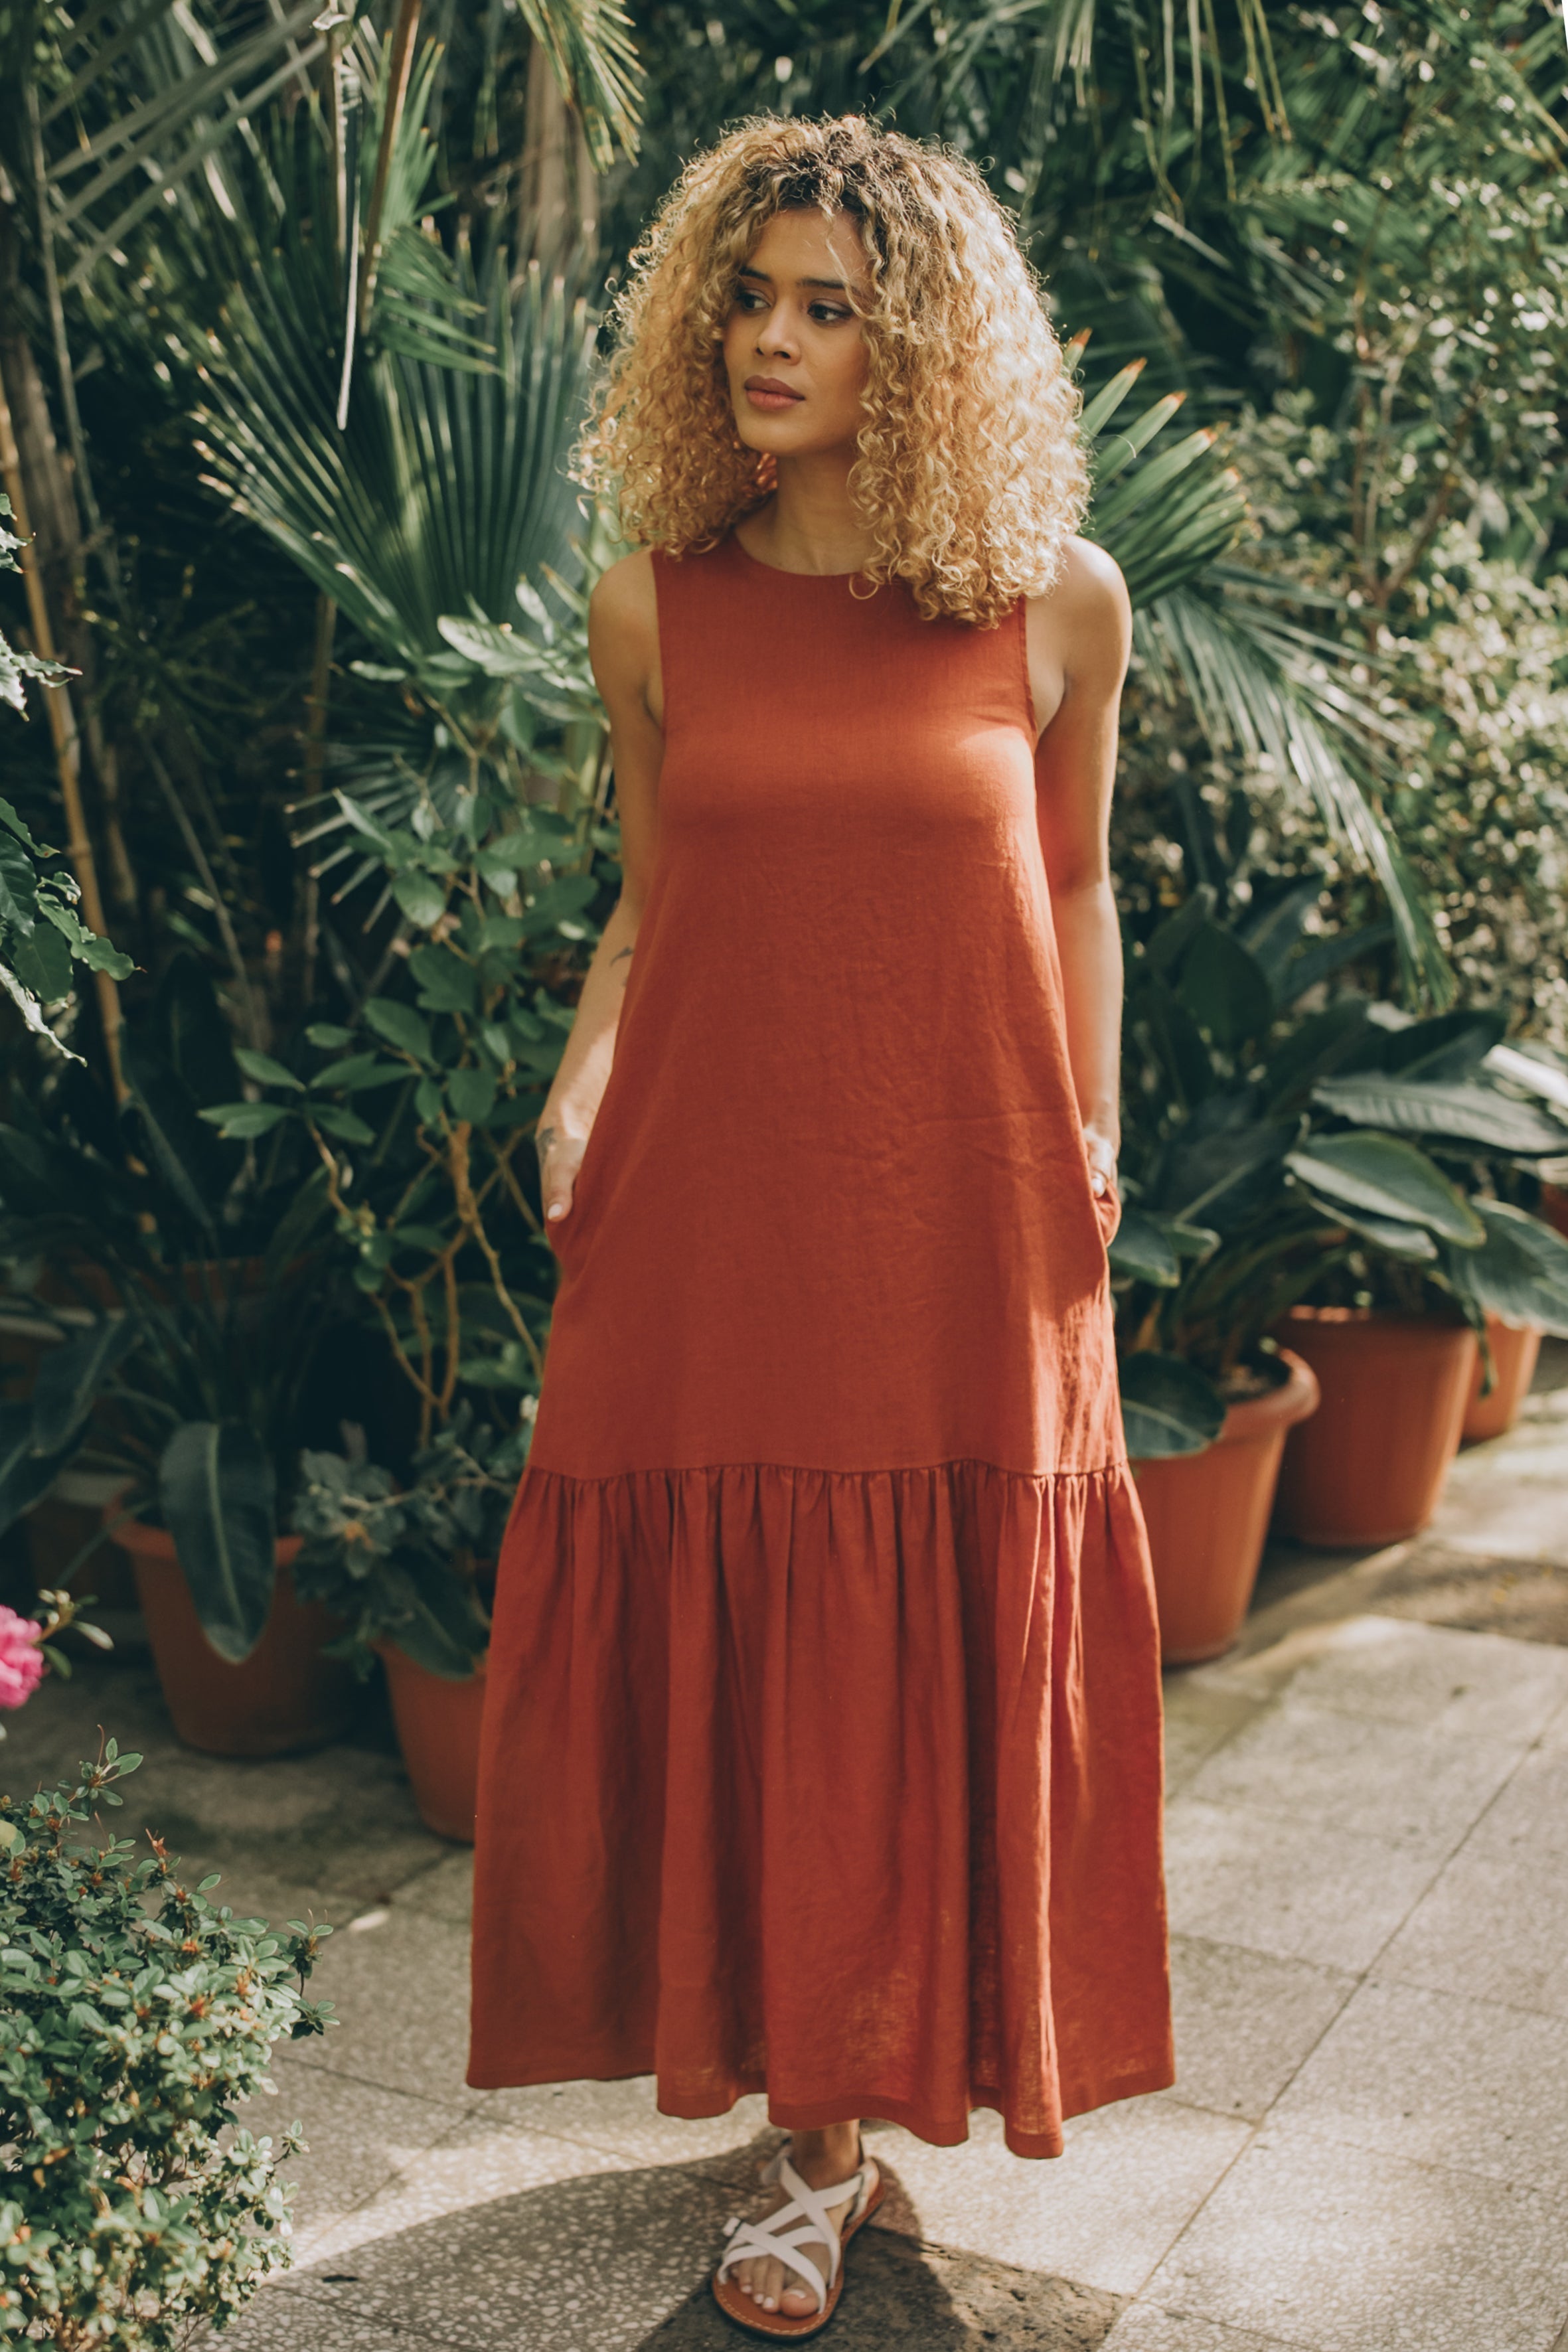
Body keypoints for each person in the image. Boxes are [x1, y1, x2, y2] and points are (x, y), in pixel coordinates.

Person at [469, 113, 1173, 2341]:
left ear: (922, 345)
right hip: (721, 1196)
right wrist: (580, 1081)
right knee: (751, 1609)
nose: (766, 340)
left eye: (826, 308)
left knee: (917, 1605)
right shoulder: (649, 608)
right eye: (746, 300)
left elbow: (1074, 883)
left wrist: (1093, 1133)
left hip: (965, 1200)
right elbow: (651, 909)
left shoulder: (1054, 604)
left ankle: (841, 2124)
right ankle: (808, 2127)